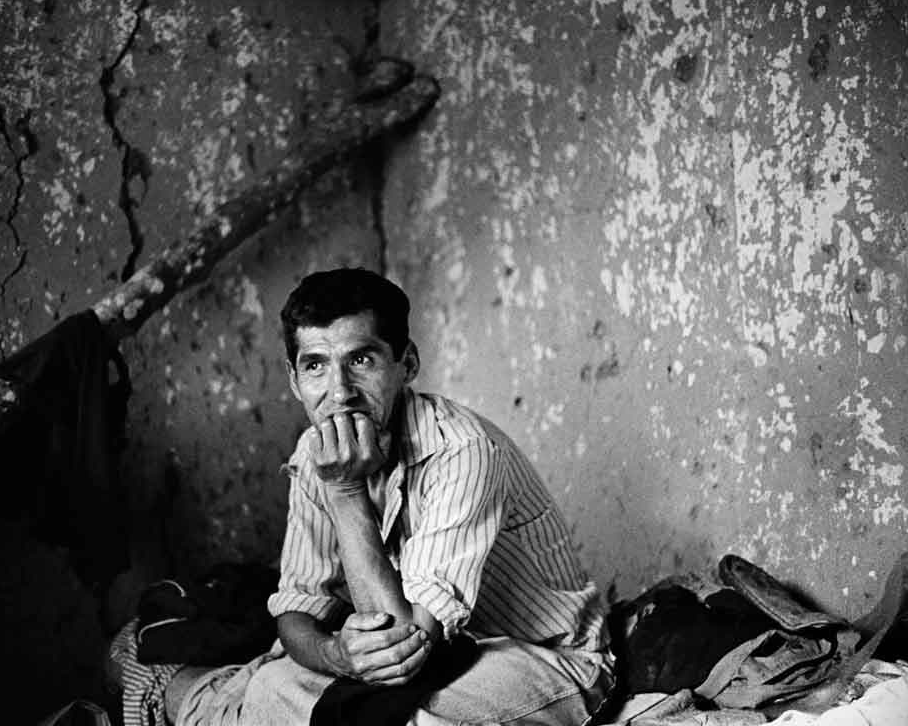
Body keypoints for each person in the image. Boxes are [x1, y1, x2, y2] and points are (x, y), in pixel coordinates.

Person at [115, 267, 614, 725]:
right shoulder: (315, 448)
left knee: (395, 720)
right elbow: (298, 608)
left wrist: (345, 489)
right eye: (315, 366)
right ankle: (170, 684)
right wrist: (337, 654)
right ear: (294, 380)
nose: (340, 391)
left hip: (538, 657)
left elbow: (405, 649)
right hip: (427, 661)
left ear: (407, 363)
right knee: (272, 687)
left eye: (361, 359)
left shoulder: (462, 451)